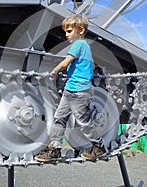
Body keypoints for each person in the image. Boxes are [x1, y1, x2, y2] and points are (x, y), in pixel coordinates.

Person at [34, 14, 106, 162]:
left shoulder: (79, 44)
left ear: (81, 30)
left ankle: (99, 147)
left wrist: (54, 72)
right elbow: (91, 66)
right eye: (65, 31)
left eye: (69, 31)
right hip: (71, 90)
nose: (66, 35)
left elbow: (66, 63)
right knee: (59, 118)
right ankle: (55, 149)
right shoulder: (86, 48)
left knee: (83, 121)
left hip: (78, 92)